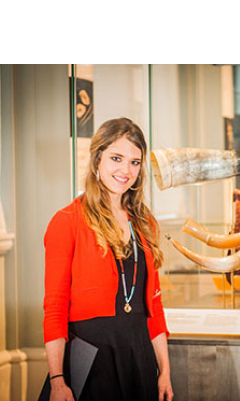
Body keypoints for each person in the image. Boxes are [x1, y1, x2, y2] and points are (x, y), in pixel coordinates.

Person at [43, 118, 173, 401]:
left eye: (135, 162)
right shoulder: (66, 221)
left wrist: (164, 370)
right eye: (117, 158)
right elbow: (54, 308)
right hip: (90, 360)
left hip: (138, 356)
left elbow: (154, 306)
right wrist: (57, 380)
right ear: (97, 159)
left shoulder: (145, 222)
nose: (126, 170)